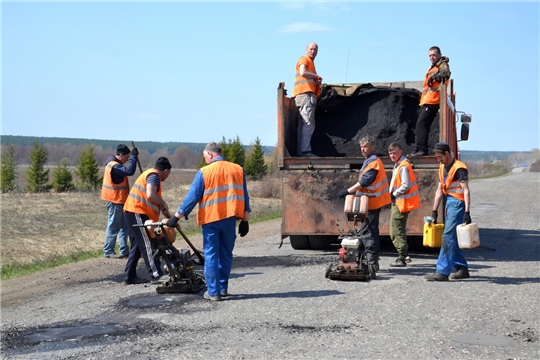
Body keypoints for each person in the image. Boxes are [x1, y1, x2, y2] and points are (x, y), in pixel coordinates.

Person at [166, 142, 251, 301]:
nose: (205, 160)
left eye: (205, 157)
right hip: (230, 218)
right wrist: (245, 221)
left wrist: (176, 216)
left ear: (211, 155)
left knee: (211, 254)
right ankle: (223, 288)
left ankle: (214, 292)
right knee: (226, 254)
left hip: (211, 219)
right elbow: (245, 197)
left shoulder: (204, 172)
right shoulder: (238, 169)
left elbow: (192, 197)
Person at [338, 136, 391, 271]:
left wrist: (347, 191)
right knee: (369, 231)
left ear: (372, 147)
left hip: (372, 202)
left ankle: (371, 263)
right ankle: (371, 261)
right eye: (361, 146)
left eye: (365, 146)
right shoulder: (370, 161)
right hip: (368, 202)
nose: (362, 149)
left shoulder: (373, 162)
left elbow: (366, 181)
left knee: (369, 233)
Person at [424, 142, 472, 281]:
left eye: (440, 156)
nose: (438, 159)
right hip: (449, 203)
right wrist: (434, 211)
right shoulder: (442, 167)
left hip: (458, 204)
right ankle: (462, 269)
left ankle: (442, 272)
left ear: (447, 154)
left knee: (447, 236)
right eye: (436, 157)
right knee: (453, 238)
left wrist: (467, 213)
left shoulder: (459, 168)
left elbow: (466, 191)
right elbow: (439, 190)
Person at [123, 157, 172, 285]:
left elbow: (156, 201)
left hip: (132, 211)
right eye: (168, 173)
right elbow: (150, 194)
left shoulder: (151, 175)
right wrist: (163, 202)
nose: (168, 176)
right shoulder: (153, 176)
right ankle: (156, 275)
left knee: (137, 246)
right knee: (147, 244)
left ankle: (130, 276)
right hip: (137, 212)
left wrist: (169, 215)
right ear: (165, 170)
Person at [409, 46, 451, 157]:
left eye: (434, 55)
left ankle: (422, 150)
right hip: (427, 100)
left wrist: (434, 78)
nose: (432, 57)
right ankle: (418, 149)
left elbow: (446, 74)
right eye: (430, 55)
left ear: (439, 55)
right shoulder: (432, 68)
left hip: (433, 101)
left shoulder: (442, 65)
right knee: (419, 126)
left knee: (422, 125)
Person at [101, 144, 138, 259]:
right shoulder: (115, 167)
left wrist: (132, 156)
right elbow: (130, 171)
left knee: (124, 226)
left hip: (120, 200)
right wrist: (133, 157)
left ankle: (124, 250)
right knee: (113, 226)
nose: (127, 160)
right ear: (120, 155)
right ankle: (108, 251)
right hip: (114, 200)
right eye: (126, 157)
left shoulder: (114, 164)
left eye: (128, 158)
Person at [387, 142, 420, 267]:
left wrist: (394, 194)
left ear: (400, 152)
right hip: (399, 202)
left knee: (396, 231)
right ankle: (403, 255)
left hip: (401, 203)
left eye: (394, 153)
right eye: (390, 153)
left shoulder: (403, 167)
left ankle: (403, 256)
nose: (392, 155)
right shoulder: (400, 165)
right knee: (397, 229)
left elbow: (405, 185)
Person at [292, 42, 323, 157]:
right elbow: (302, 72)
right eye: (311, 49)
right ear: (306, 50)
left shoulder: (312, 64)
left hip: (303, 96)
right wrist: (315, 76)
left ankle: (301, 151)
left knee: (303, 124)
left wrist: (316, 82)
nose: (313, 51)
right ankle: (305, 151)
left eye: (315, 49)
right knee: (308, 123)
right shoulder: (304, 59)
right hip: (305, 96)